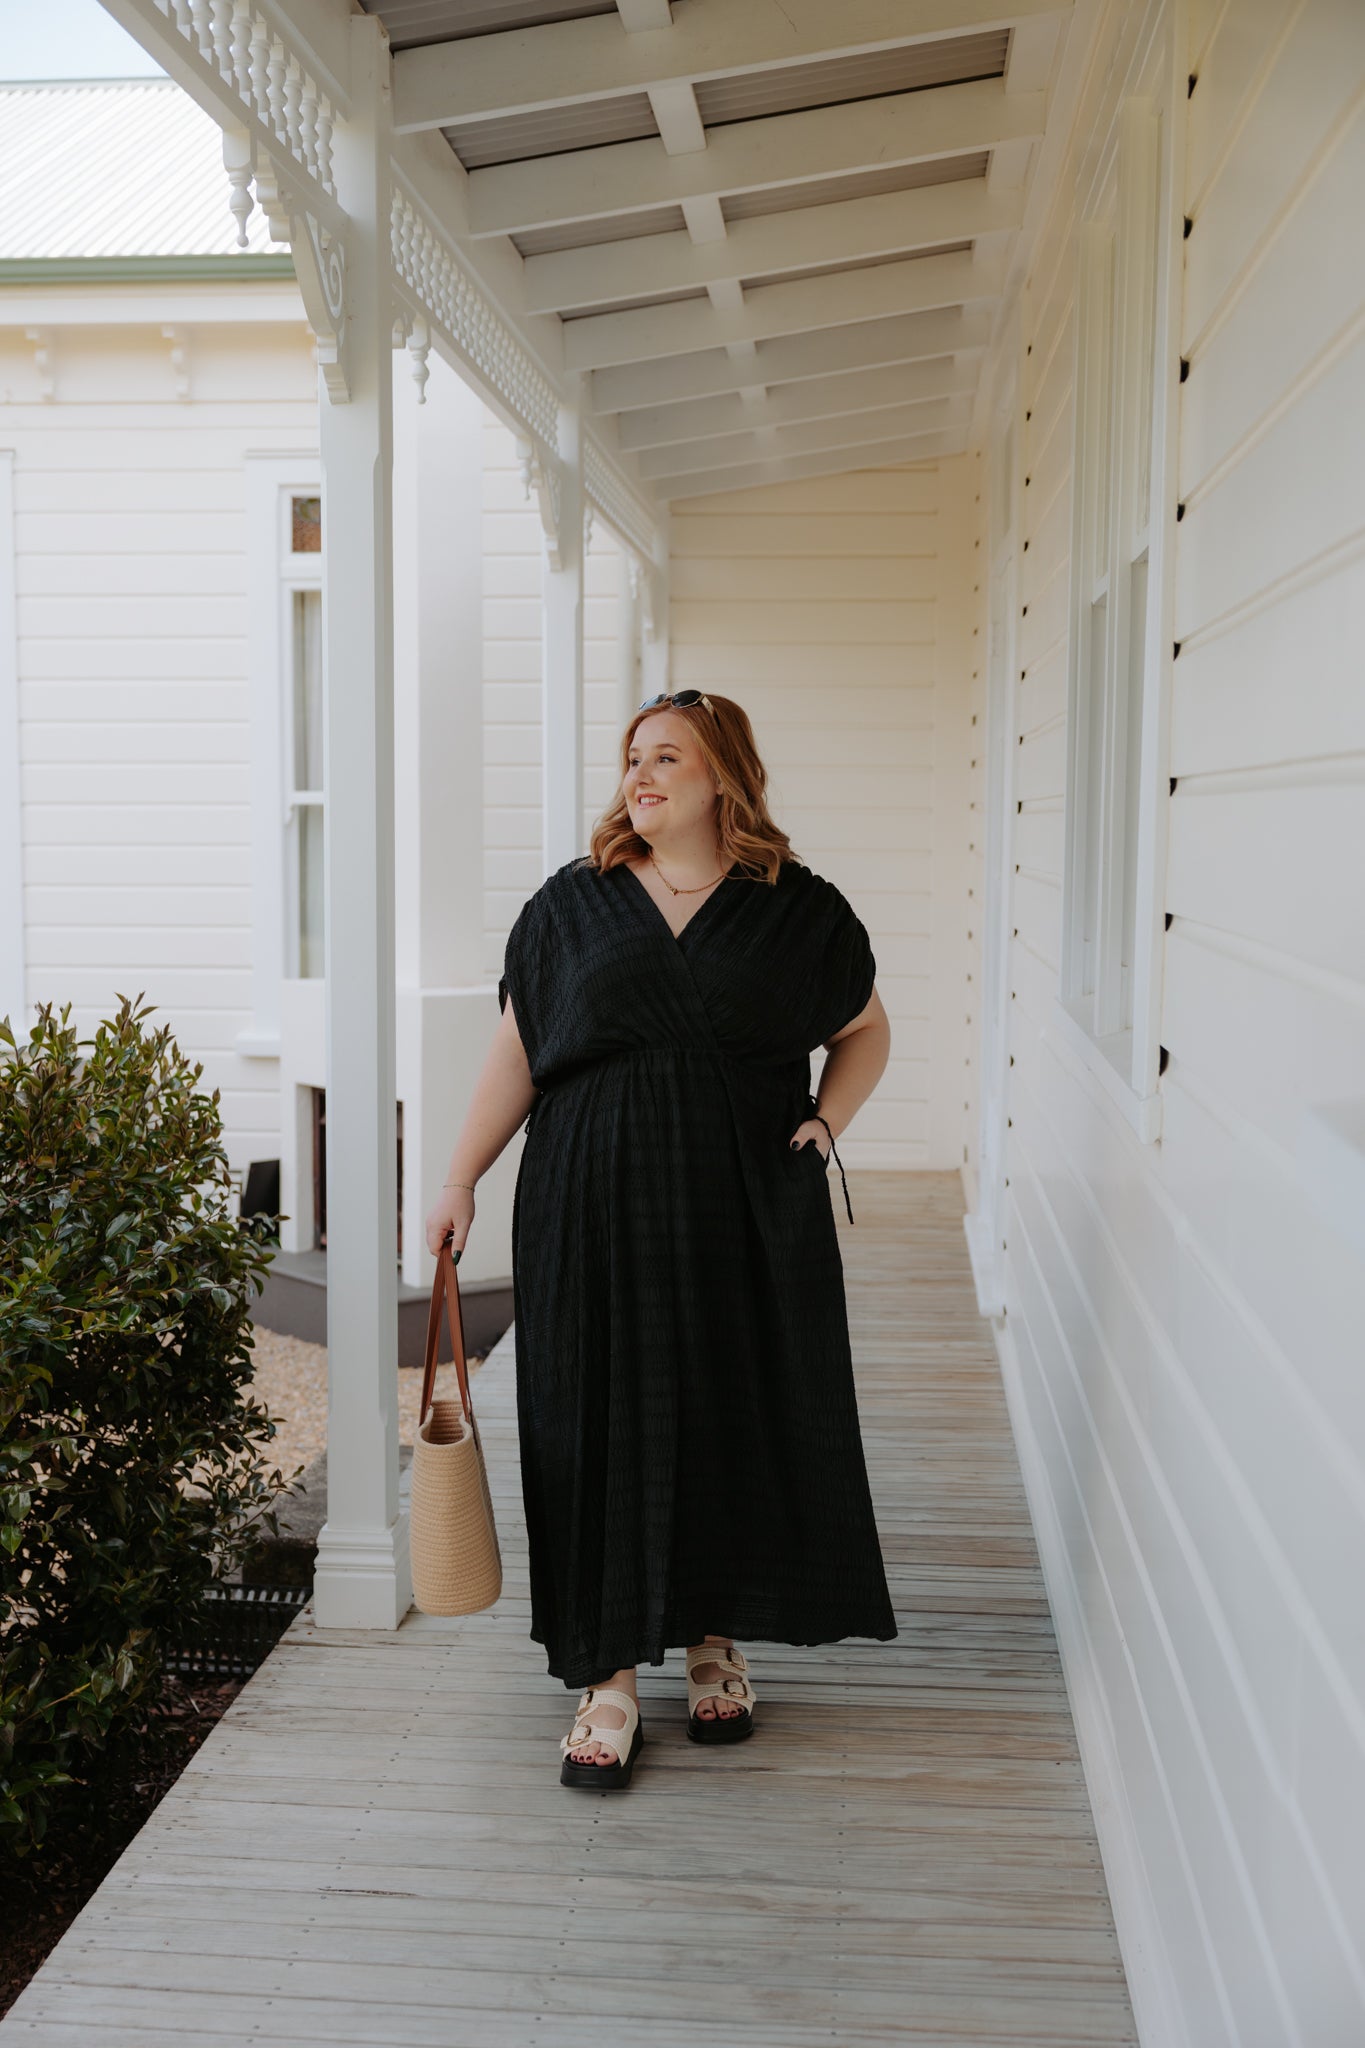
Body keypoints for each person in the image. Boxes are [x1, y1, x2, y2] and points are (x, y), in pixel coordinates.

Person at [424, 689, 897, 1789]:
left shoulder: (796, 910)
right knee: (592, 1417)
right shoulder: (572, 905)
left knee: (725, 1408)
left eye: (665, 758)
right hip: (588, 1201)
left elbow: (866, 1029)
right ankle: (607, 1678)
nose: (638, 776)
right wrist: (458, 1177)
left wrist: (826, 1125)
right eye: (632, 757)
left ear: (723, 774)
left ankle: (712, 1640)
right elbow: (518, 1053)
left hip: (741, 1202)